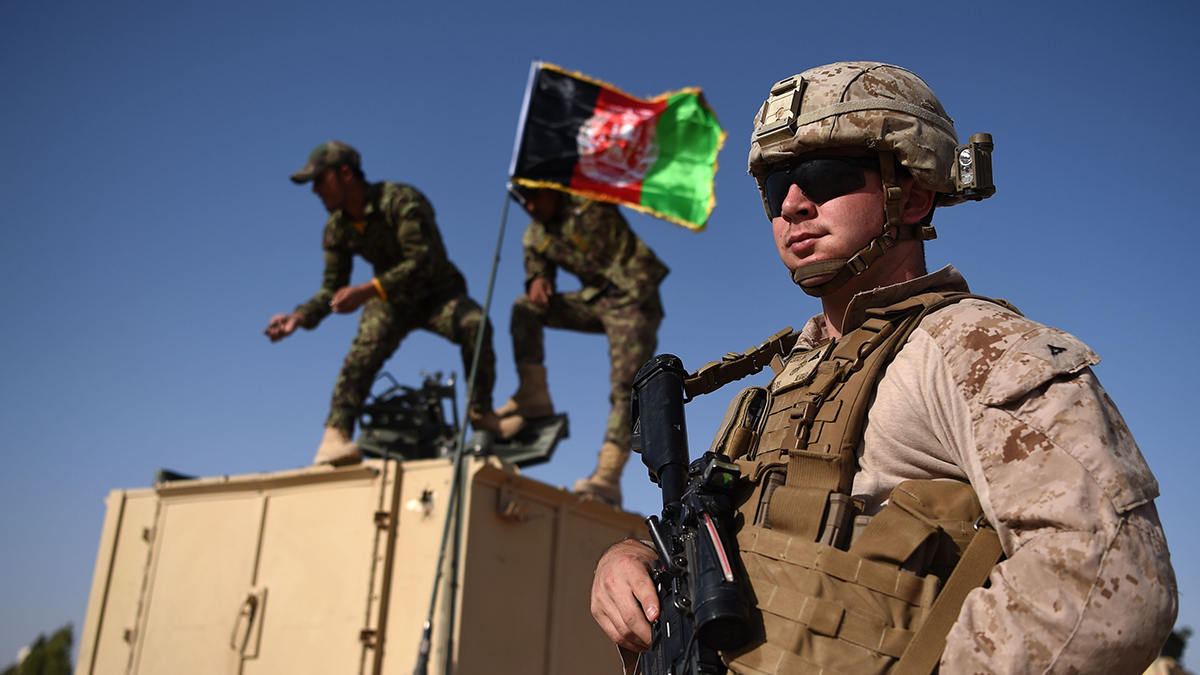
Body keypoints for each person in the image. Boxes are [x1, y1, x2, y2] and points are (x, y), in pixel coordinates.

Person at [590, 62, 1177, 674]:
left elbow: (1110, 578)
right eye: (775, 185)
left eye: (824, 175)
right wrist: (629, 558)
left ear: (914, 193)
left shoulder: (971, 347)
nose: (791, 204)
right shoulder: (791, 376)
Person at [265, 141, 502, 465]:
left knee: (475, 325)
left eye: (320, 180)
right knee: (364, 349)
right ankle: (335, 436)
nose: (315, 191)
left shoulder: (401, 200)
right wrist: (300, 317)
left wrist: (367, 290)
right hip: (391, 301)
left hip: (437, 295)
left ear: (345, 173)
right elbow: (332, 289)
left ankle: (481, 413)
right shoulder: (337, 228)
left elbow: (423, 260)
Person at [496, 187, 668, 507]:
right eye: (522, 201)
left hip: (634, 299)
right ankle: (534, 394)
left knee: (624, 386)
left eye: (534, 196)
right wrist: (536, 280)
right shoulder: (535, 236)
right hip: (596, 301)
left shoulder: (588, 198)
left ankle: (608, 476)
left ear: (551, 187)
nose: (530, 206)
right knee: (524, 308)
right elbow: (537, 270)